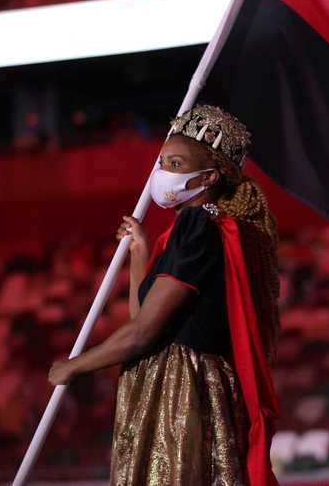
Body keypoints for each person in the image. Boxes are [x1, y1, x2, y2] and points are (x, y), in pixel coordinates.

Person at [48, 104, 281, 485]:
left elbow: (144, 333)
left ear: (207, 176)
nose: (160, 173)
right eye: (161, 161)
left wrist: (75, 366)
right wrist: (140, 252)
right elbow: (141, 318)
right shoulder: (180, 234)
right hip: (170, 383)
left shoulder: (198, 228)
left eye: (174, 164)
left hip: (183, 391)